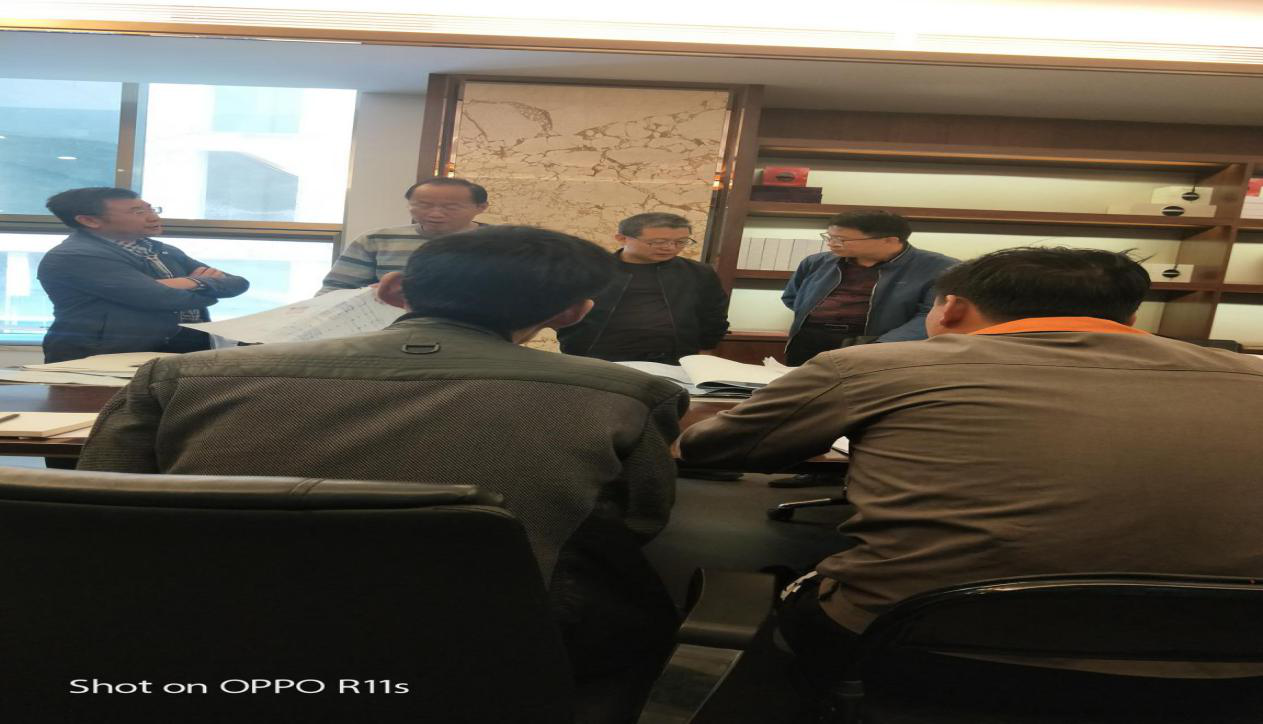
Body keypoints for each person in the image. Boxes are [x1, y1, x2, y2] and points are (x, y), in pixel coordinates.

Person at [78, 225, 687, 707]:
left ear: (395, 290)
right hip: (491, 645)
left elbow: (100, 505)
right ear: (573, 312)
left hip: (203, 632)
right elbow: (639, 521)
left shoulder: (180, 376)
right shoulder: (629, 394)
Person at [680, 247, 1263, 681]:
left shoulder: (873, 367)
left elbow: (712, 448)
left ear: (951, 308)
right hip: (1226, 659)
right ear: (1128, 320)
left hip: (920, 645)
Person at [38, 187, 249, 364]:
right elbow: (159, 297)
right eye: (138, 212)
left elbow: (237, 283)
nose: (153, 217)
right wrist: (202, 284)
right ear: (89, 220)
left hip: (180, 348)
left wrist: (185, 283)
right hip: (105, 356)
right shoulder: (74, 256)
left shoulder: (162, 249)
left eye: (151, 208)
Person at [782, 209, 957, 366]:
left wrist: (881, 345)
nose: (832, 244)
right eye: (830, 237)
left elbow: (931, 315)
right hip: (808, 341)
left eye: (842, 240)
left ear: (890, 240)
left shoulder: (941, 268)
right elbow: (792, 297)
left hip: (884, 347)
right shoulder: (816, 262)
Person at [558, 212, 729, 364]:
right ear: (622, 238)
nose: (670, 247)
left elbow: (713, 315)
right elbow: (563, 310)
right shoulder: (591, 270)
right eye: (658, 242)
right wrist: (573, 345)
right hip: (596, 357)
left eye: (681, 242)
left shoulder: (698, 273)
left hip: (674, 360)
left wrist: (705, 351)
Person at [318, 177, 488, 293]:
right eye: (424, 205)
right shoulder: (377, 240)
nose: (435, 214)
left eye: (451, 207)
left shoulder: (499, 242)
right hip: (389, 327)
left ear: (481, 207)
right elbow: (335, 289)